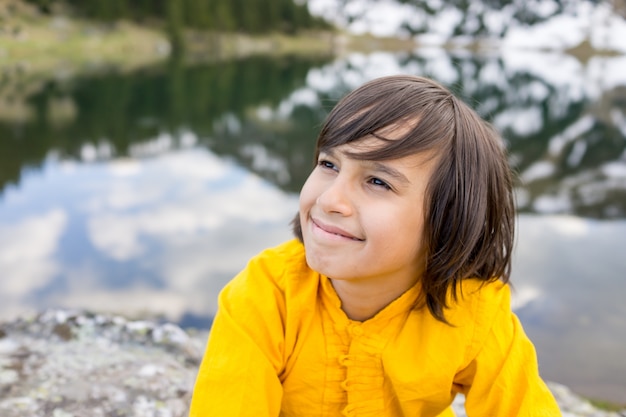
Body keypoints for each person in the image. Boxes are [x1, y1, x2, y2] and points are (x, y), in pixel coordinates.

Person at [189, 75, 561, 416]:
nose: (331, 199)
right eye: (329, 164)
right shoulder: (265, 294)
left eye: (378, 182)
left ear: (448, 219)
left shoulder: (473, 310)